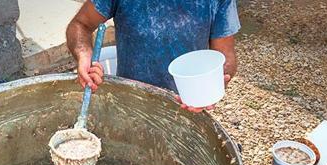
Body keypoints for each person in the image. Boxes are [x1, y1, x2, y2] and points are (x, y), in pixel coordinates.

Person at [66, 0, 240, 113]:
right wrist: (83, 55)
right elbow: (81, 24)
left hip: (186, 107)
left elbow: (225, 54)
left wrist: (215, 83)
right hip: (129, 104)